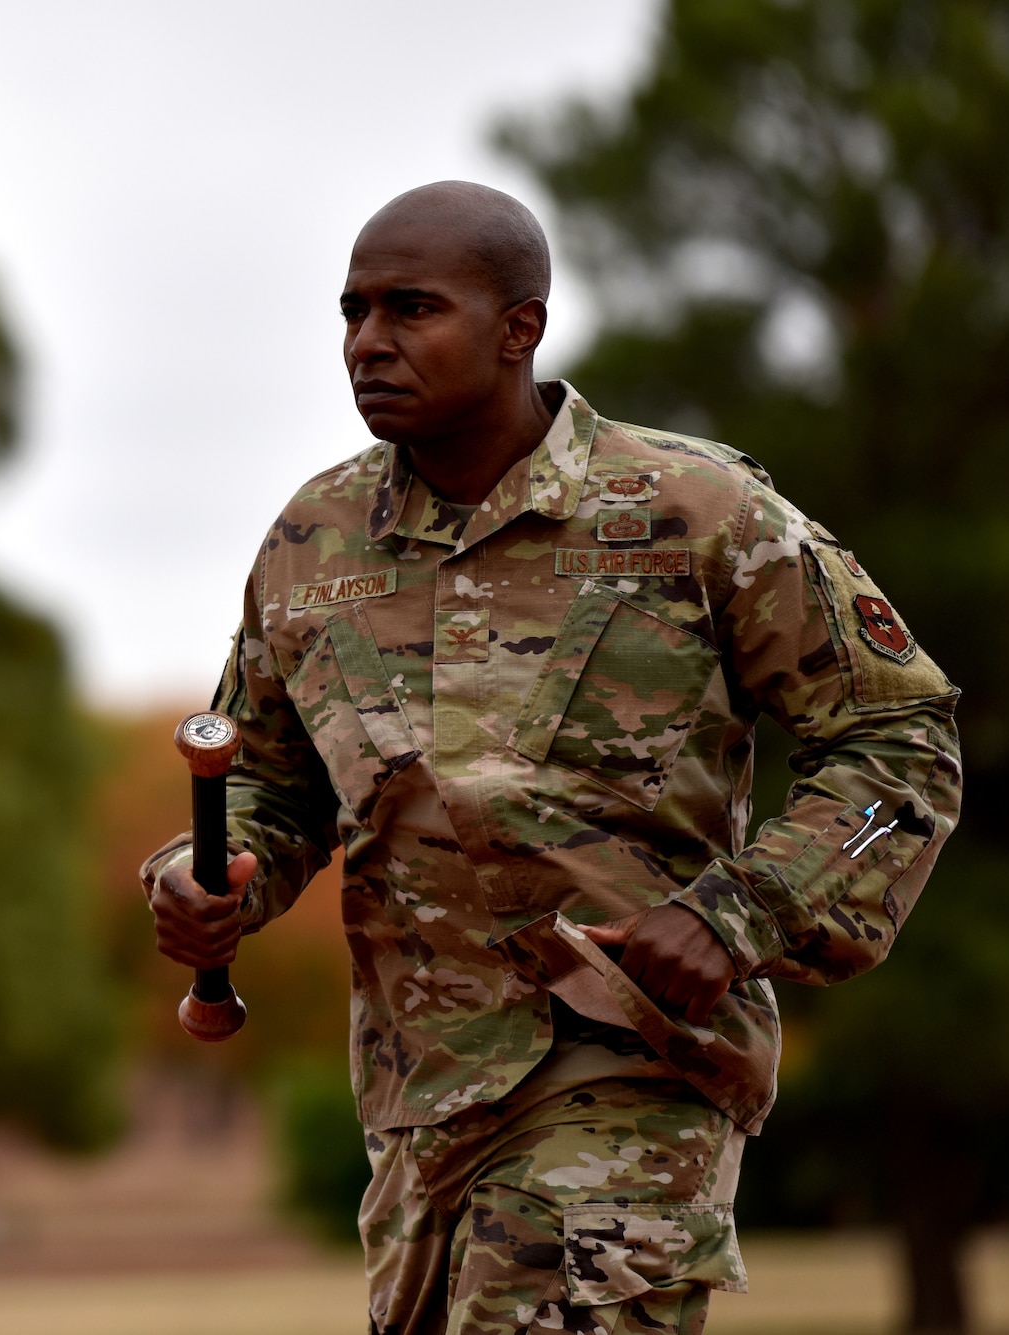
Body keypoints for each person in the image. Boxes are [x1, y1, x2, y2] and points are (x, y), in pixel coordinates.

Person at [141, 181, 963, 1335]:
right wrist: (208, 877)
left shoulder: (697, 512)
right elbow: (272, 785)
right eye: (350, 312)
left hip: (629, 1068)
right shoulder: (309, 543)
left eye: (409, 309)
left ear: (517, 327)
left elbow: (896, 739)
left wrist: (742, 910)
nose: (365, 343)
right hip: (419, 1096)